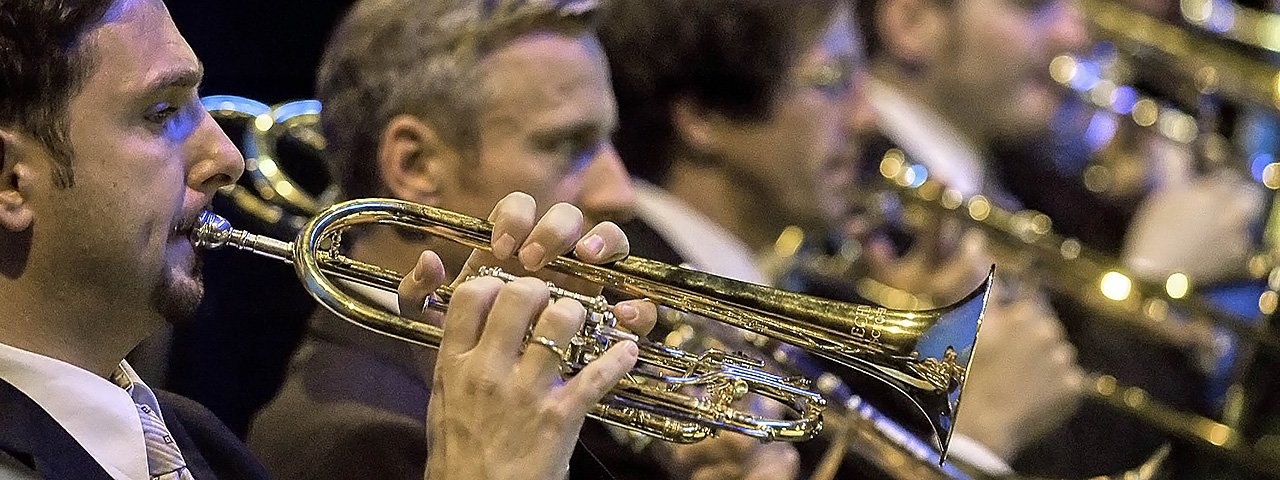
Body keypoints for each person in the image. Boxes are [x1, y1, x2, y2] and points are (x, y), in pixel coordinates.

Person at [0, 0, 651, 478]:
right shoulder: (338, 441)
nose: (228, 156)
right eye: (163, 113)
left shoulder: (196, 441)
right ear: (10, 181)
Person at [245, 1, 788, 479]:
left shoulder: (539, 381)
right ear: (415, 164)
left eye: (608, 142)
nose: (620, 192)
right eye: (567, 145)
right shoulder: (355, 441)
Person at [598, 0, 1084, 476]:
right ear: (702, 118)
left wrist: (927, 355)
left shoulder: (801, 283)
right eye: (831, 82)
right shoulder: (636, 327)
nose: (865, 119)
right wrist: (981, 435)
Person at [854, 0, 1236, 475]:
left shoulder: (1006, 157)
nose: (1073, 34)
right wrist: (1147, 288)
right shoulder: (871, 217)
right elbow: (1051, 454)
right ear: (913, 24)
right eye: (1033, 8)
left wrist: (1134, 206)